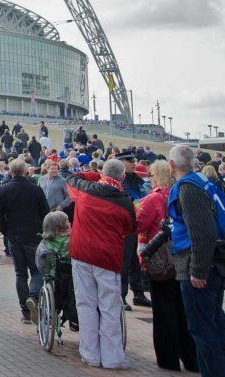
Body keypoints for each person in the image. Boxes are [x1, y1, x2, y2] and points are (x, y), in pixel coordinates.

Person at [65, 158, 134, 370]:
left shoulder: (86, 189)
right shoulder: (124, 200)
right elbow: (129, 228)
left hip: (82, 253)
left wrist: (95, 175)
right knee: (110, 308)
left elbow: (70, 178)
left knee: (85, 305)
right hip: (107, 257)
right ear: (122, 177)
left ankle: (90, 354)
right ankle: (112, 358)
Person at [167, 145, 225, 377]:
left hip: (201, 264)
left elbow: (202, 233)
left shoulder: (188, 188)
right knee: (214, 323)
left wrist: (198, 270)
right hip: (213, 262)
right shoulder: (204, 181)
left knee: (203, 329)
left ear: (171, 165)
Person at [135, 159, 198, 372]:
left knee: (164, 312)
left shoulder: (153, 199)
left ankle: (168, 359)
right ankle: (191, 358)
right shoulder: (182, 193)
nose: (150, 179)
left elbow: (139, 224)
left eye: (152, 175)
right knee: (184, 311)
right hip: (183, 258)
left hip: (161, 260)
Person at [0, 159, 49, 323]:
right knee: (37, 271)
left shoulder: (4, 189)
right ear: (25, 171)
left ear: (11, 172)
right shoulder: (36, 189)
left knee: (20, 273)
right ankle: (33, 296)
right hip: (33, 235)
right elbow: (45, 212)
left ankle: (25, 310)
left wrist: (6, 231)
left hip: (14, 236)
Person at [117, 151, 151, 309]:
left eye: (133, 160)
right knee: (124, 262)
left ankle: (138, 293)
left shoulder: (136, 180)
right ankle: (121, 296)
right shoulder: (119, 181)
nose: (132, 163)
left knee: (136, 262)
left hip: (138, 224)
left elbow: (143, 196)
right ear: (120, 163)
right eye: (128, 161)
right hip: (125, 225)